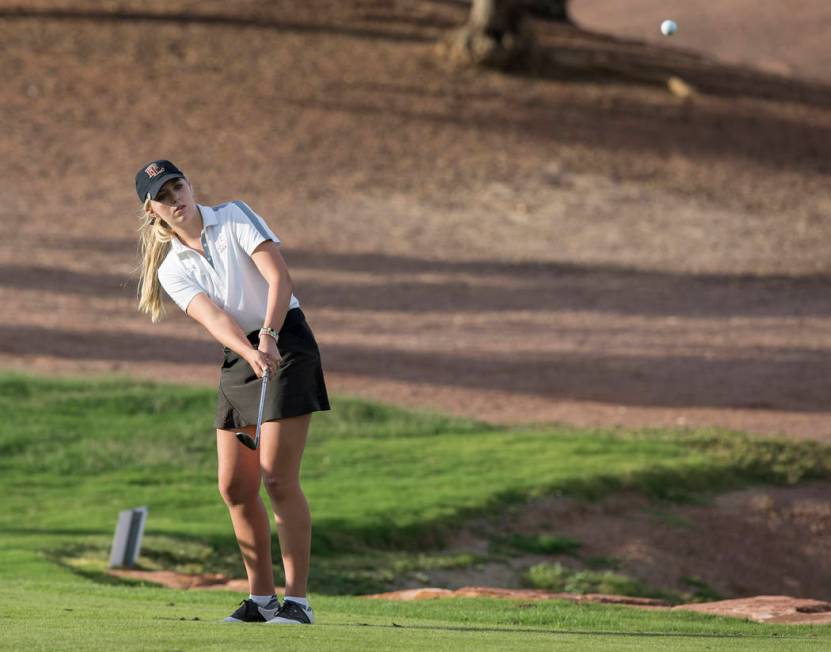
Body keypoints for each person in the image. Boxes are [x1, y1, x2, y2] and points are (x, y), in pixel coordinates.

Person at [134, 159, 330, 625]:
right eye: (163, 196)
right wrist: (248, 349)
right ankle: (261, 599)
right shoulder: (172, 268)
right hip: (240, 352)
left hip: (287, 342)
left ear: (189, 185)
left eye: (177, 186)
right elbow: (214, 319)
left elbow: (279, 278)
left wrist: (267, 336)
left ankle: (297, 602)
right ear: (152, 210)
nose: (175, 198)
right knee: (235, 486)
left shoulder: (235, 216)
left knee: (277, 479)